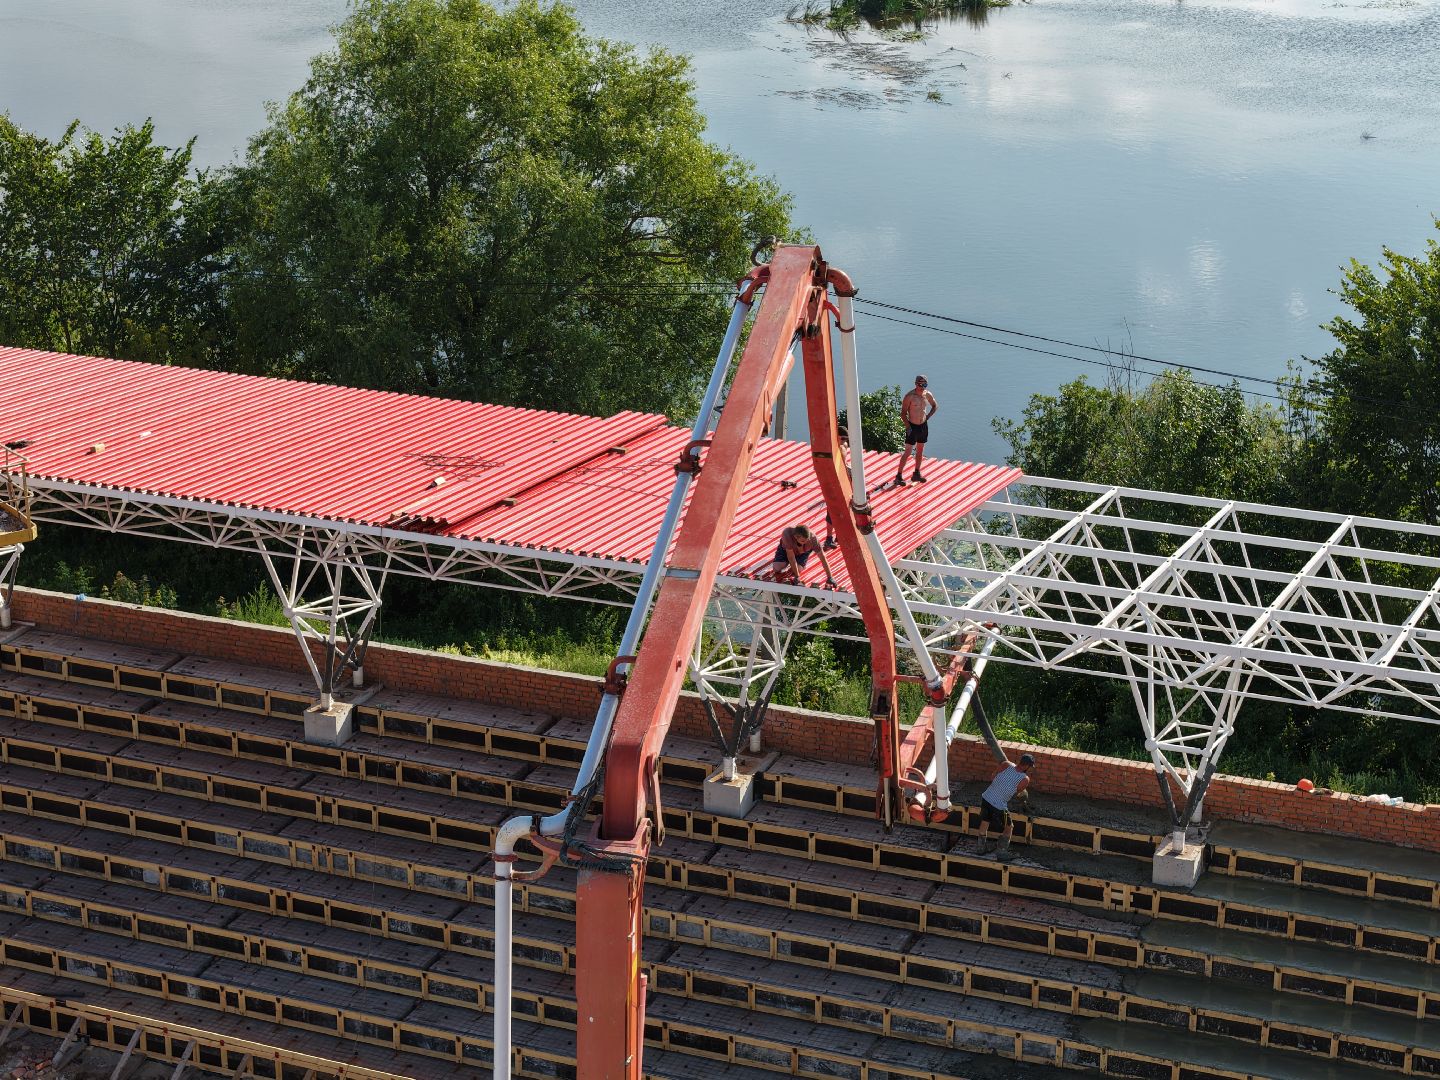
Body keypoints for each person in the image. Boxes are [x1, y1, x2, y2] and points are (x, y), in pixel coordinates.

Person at [974, 753, 1035, 860]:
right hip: (999, 805)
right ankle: (1001, 853)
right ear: (1026, 766)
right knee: (1009, 827)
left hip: (986, 797)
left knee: (985, 821)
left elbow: (992, 777)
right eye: (1030, 767)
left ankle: (980, 848)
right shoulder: (1025, 779)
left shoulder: (1006, 764)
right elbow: (1017, 792)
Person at [894, 375, 938, 486]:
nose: (923, 387)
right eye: (920, 384)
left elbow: (935, 405)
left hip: (923, 425)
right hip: (912, 427)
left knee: (920, 451)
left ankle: (916, 473)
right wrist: (908, 427)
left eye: (925, 384)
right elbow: (903, 413)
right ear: (916, 384)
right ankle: (898, 476)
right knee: (908, 452)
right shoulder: (910, 396)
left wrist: (928, 417)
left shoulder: (927, 394)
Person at [769, 523, 837, 587]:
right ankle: (785, 563)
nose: (805, 542)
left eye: (807, 540)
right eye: (803, 541)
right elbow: (791, 558)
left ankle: (799, 565)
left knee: (797, 569)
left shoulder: (813, 539)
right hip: (786, 550)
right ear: (796, 537)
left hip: (803, 552)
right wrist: (797, 576)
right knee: (777, 568)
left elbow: (823, 558)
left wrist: (830, 577)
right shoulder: (787, 534)